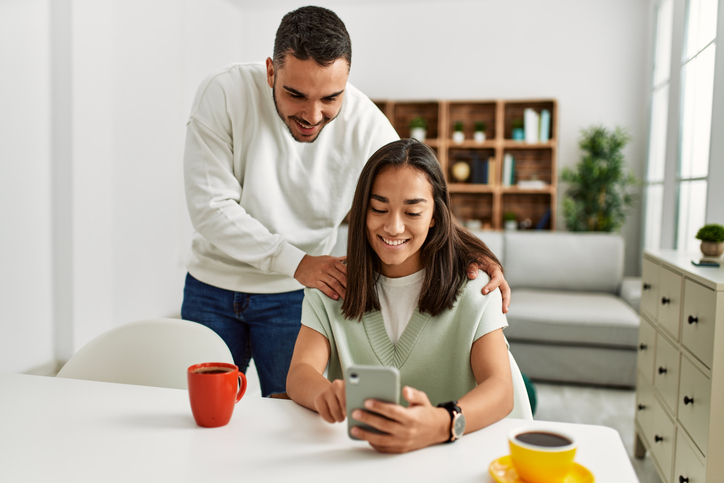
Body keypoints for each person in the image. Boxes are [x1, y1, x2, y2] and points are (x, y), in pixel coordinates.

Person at [181, 6, 510, 398]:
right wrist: (297, 261)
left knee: (291, 417)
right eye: (295, 94)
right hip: (213, 286)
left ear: (347, 82)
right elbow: (210, 208)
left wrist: (474, 252)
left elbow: (416, 193)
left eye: (331, 98)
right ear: (271, 71)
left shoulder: (366, 124)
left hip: (295, 294)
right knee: (201, 417)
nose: (312, 115)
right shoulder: (223, 93)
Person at [286, 139, 513, 453]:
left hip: (453, 460)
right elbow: (300, 372)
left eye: (413, 212)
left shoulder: (475, 286)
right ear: (362, 211)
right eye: (379, 209)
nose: (393, 227)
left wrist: (440, 423)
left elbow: (501, 389)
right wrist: (324, 394)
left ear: (435, 215)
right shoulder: (332, 287)